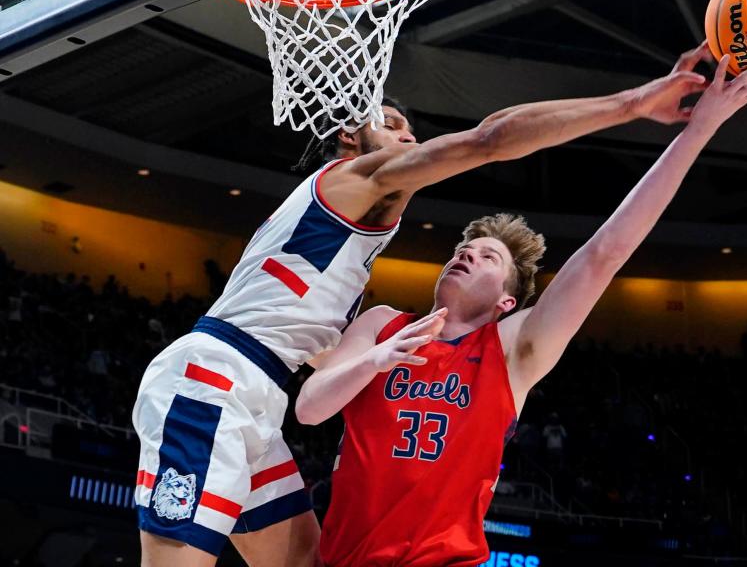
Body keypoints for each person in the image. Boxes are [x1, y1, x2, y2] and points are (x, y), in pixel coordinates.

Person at [131, 45, 713, 565]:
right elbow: (491, 139)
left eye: (412, 131)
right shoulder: (356, 181)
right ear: (350, 141)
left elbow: (316, 384)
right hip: (217, 380)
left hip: (259, 395)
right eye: (392, 126)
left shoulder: (357, 252)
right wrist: (634, 103)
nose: (410, 140)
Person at [296, 53, 747, 566]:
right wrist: (374, 360)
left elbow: (605, 254)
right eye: (463, 250)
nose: (466, 254)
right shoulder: (383, 325)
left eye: (488, 257)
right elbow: (311, 409)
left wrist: (699, 128)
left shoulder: (512, 352)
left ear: (507, 301)